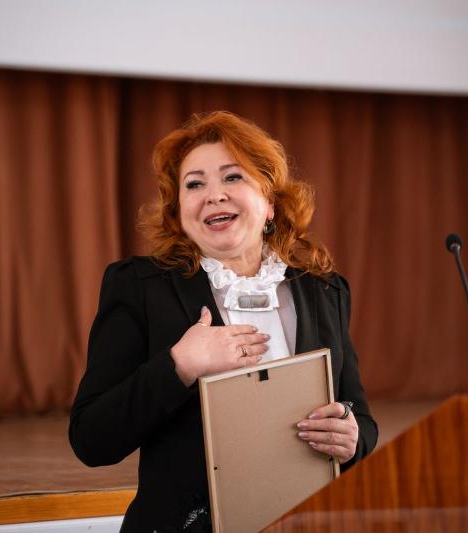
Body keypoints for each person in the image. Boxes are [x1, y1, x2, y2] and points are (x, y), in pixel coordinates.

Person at [69, 111, 378, 532]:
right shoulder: (139, 287)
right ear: (179, 212)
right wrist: (180, 365)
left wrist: (352, 438)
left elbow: (360, 418)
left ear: (270, 203)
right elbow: (91, 439)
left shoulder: (324, 291)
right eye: (194, 184)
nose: (214, 195)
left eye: (233, 177)